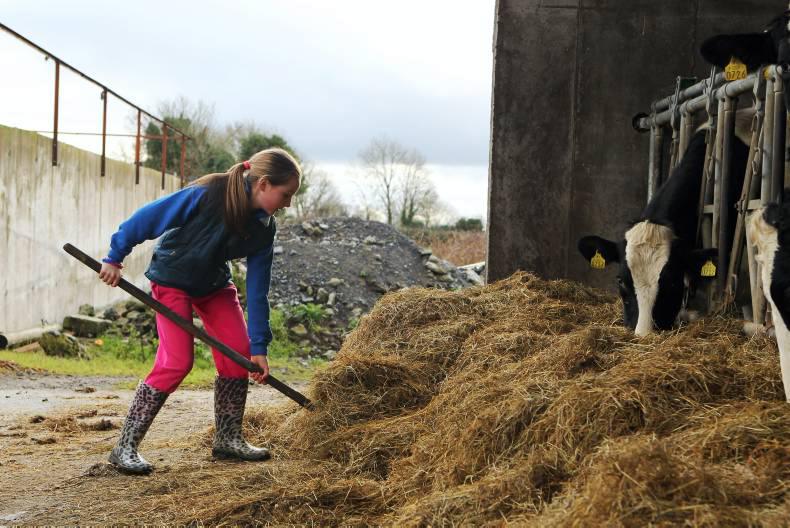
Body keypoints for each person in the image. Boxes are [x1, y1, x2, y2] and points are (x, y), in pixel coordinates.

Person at [98, 148, 301, 474]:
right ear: (263, 183)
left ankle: (228, 439)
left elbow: (259, 289)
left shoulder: (265, 228)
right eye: (285, 194)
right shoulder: (206, 195)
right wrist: (114, 257)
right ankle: (125, 447)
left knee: (239, 353)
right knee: (177, 361)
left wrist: (259, 347)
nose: (288, 203)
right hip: (172, 280)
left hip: (213, 285)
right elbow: (146, 219)